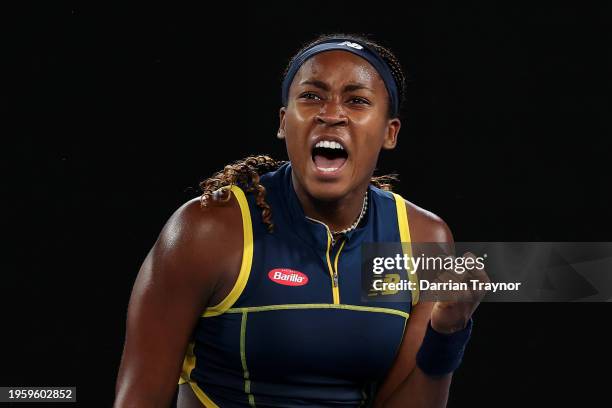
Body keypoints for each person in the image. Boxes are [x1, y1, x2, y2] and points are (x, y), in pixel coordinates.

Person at [114, 33, 487, 408]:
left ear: (390, 132)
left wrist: (448, 331)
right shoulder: (207, 230)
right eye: (312, 96)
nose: (331, 113)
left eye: (356, 101)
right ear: (283, 122)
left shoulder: (423, 238)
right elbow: (138, 399)